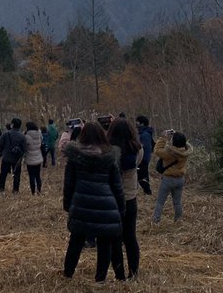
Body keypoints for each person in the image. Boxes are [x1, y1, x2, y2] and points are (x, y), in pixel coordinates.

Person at [61, 120, 126, 282]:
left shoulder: (74, 156)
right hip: (106, 204)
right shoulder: (110, 156)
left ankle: (68, 274)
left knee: (76, 241)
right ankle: (100, 279)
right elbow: (117, 186)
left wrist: (68, 204)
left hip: (81, 202)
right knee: (104, 244)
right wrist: (120, 208)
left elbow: (68, 183)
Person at [109, 117, 142, 278]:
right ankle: (134, 272)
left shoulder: (107, 150)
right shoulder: (137, 149)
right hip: (130, 198)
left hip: (112, 199)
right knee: (130, 237)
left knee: (114, 238)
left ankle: (119, 274)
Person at [153, 130, 193, 223]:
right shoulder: (186, 152)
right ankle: (178, 219)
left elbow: (157, 150)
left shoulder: (169, 152)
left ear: (174, 142)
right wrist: (178, 135)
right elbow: (183, 143)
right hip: (180, 179)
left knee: (160, 202)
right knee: (177, 202)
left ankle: (155, 220)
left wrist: (163, 138)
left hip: (168, 179)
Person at [0, 118, 26, 193]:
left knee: (3, 173)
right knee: (16, 175)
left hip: (6, 157)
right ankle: (15, 190)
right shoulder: (22, 136)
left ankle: (1, 188)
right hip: (17, 159)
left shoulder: (6, 133)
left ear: (12, 124)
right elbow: (25, 149)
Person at [23, 121, 45, 194]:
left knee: (31, 176)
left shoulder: (26, 136)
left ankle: (33, 192)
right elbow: (41, 143)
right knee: (38, 175)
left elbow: (24, 147)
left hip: (30, 158)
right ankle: (39, 191)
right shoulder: (39, 134)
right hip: (38, 157)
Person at [136, 115, 155, 195]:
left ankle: (147, 192)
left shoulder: (145, 135)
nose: (136, 124)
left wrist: (142, 159)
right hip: (143, 159)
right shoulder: (145, 133)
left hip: (143, 159)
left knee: (141, 176)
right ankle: (147, 192)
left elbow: (145, 148)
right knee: (143, 175)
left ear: (142, 124)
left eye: (137, 122)